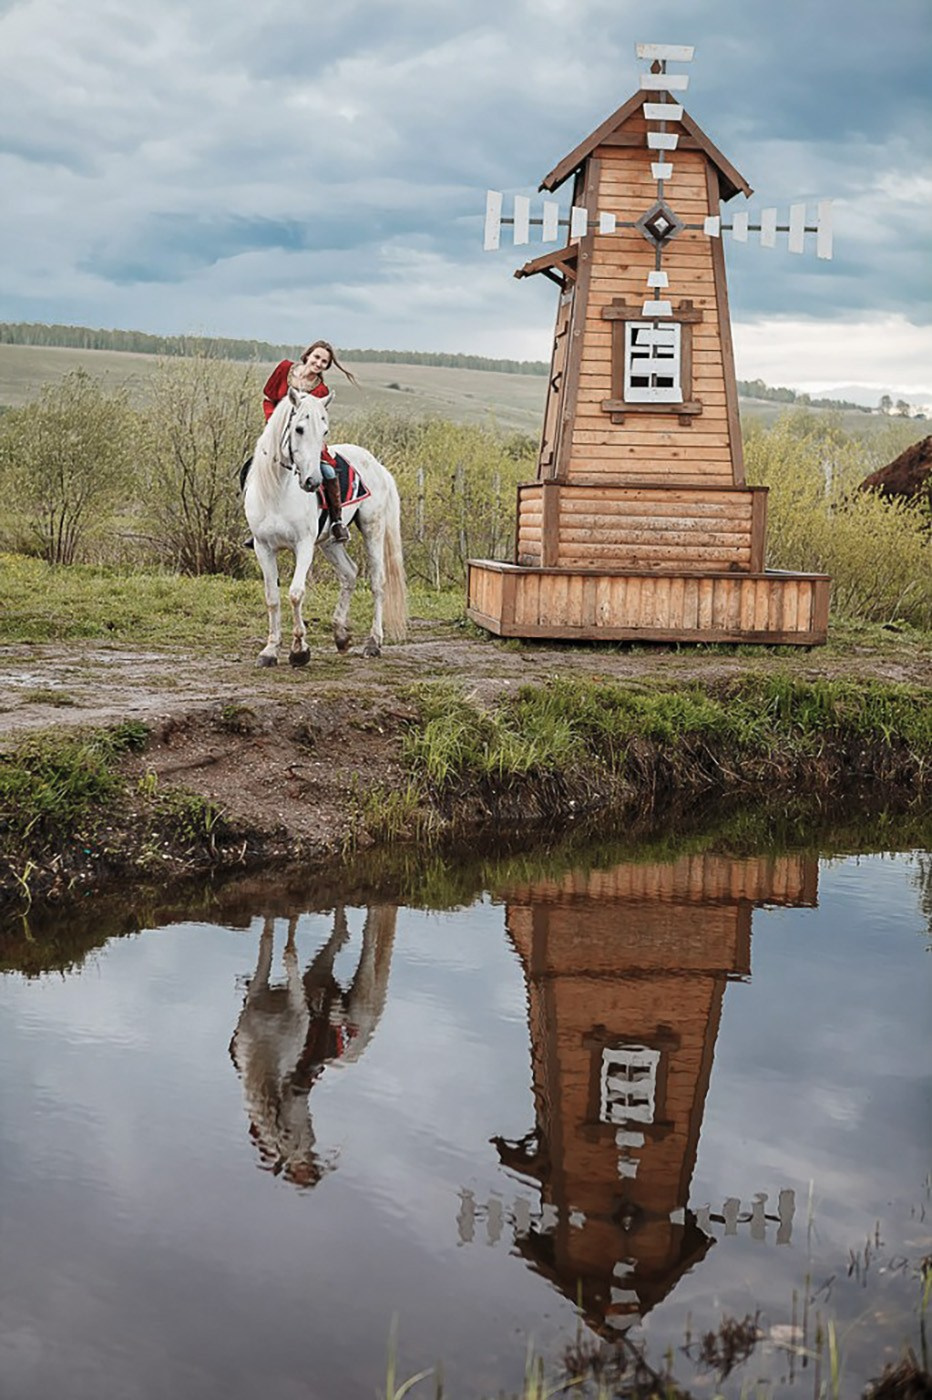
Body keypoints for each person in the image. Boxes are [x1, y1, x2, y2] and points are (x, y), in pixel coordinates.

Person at [244, 339, 357, 545]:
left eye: (324, 362)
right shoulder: (284, 369)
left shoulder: (321, 390)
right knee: (250, 467)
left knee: (329, 472)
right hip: (277, 434)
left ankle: (336, 521)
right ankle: (255, 522)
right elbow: (268, 398)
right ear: (307, 355)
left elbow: (317, 420)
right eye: (317, 357)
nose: (319, 363)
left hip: (306, 438)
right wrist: (272, 423)